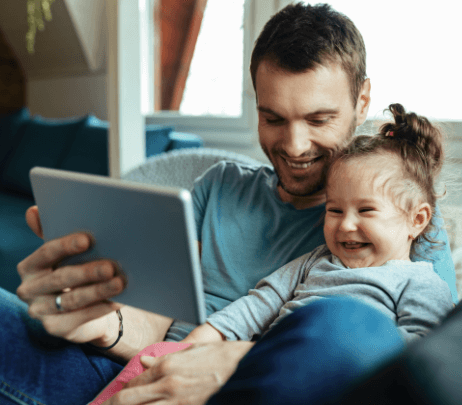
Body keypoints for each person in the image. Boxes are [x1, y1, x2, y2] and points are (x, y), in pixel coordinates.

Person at [0, 2, 457, 404]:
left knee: (346, 326)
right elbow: (156, 324)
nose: (294, 145)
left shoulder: (401, 227)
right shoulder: (221, 186)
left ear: (362, 101)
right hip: (128, 375)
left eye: (319, 120)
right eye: (273, 118)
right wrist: (102, 322)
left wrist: (237, 365)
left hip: (266, 390)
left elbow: (419, 375)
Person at [100, 104, 454, 396]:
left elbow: (421, 358)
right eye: (334, 210)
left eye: (366, 211)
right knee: (154, 357)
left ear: (417, 219)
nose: (346, 225)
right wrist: (192, 346)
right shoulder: (317, 260)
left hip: (325, 380)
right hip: (259, 362)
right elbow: (259, 304)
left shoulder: (419, 281)